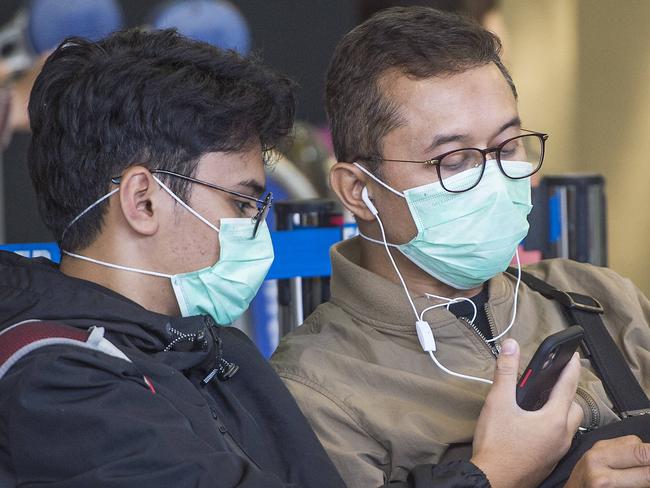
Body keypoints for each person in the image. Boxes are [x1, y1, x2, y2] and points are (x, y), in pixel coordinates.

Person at [0, 27, 584, 488]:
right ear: (144, 200)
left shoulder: (211, 351)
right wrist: (491, 475)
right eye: (243, 203)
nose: (258, 230)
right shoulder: (58, 380)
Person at [270, 7, 650, 487]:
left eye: (507, 147)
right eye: (454, 159)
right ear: (357, 190)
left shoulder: (598, 299)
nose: (492, 178)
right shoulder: (317, 392)